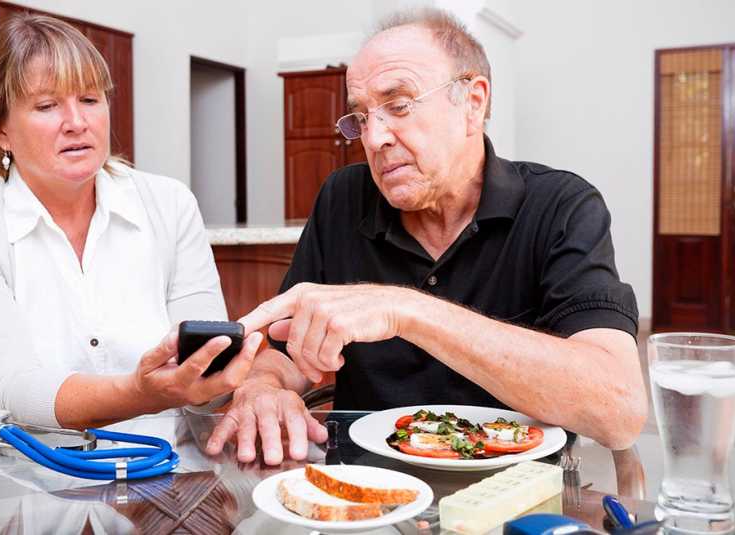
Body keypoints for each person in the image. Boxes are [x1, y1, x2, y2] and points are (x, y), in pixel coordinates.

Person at [207, 7, 647, 465]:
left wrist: (407, 310)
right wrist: (264, 386)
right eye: (360, 118)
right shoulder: (343, 197)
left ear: (473, 102)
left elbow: (619, 411)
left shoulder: (560, 205)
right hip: (369, 495)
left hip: (515, 495)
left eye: (398, 105)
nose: (374, 137)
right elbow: (283, 350)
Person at [0, 14, 261, 430]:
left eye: (89, 99)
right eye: (47, 106)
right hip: (20, 478)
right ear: (1, 130)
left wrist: (249, 378)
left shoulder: (170, 204)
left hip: (164, 469)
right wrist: (139, 393)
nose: (77, 122)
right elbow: (11, 390)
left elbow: (204, 368)